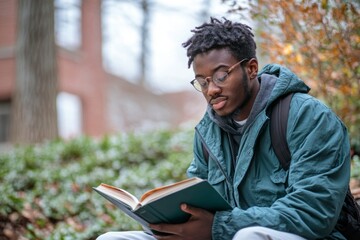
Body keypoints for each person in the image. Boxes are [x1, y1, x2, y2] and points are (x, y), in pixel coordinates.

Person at [97, 17, 350, 240]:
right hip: (223, 235)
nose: (211, 90)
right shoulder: (207, 132)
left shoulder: (307, 116)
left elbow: (313, 211)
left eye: (221, 75)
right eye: (202, 81)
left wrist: (218, 228)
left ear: (251, 69)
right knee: (113, 238)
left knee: (249, 236)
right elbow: (199, 204)